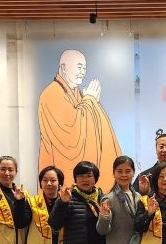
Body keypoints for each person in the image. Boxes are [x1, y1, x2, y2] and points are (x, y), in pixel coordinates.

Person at [38, 49, 121, 192]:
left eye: (84, 68)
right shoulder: (52, 93)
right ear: (64, 67)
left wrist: (90, 101)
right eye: (79, 67)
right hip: (58, 168)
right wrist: (90, 100)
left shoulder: (76, 93)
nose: (83, 72)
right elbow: (71, 134)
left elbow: (86, 119)